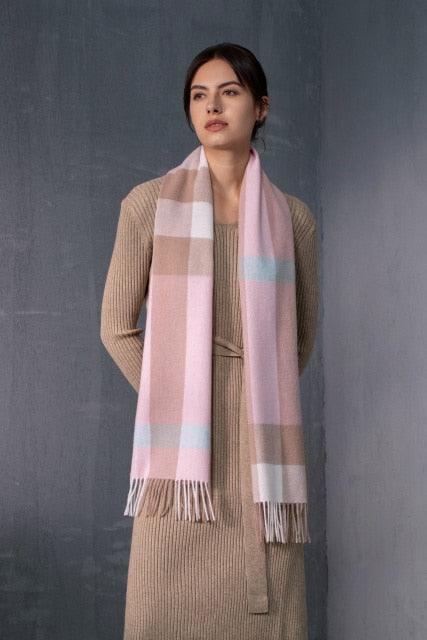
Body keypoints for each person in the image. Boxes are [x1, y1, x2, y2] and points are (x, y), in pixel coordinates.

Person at [100, 42, 318, 640]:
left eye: (229, 92)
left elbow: (299, 337)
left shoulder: (292, 219)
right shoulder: (148, 206)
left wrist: (251, 393)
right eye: (199, 96)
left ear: (261, 107)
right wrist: (179, 394)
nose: (212, 107)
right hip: (181, 458)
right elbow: (116, 327)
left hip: (260, 449)